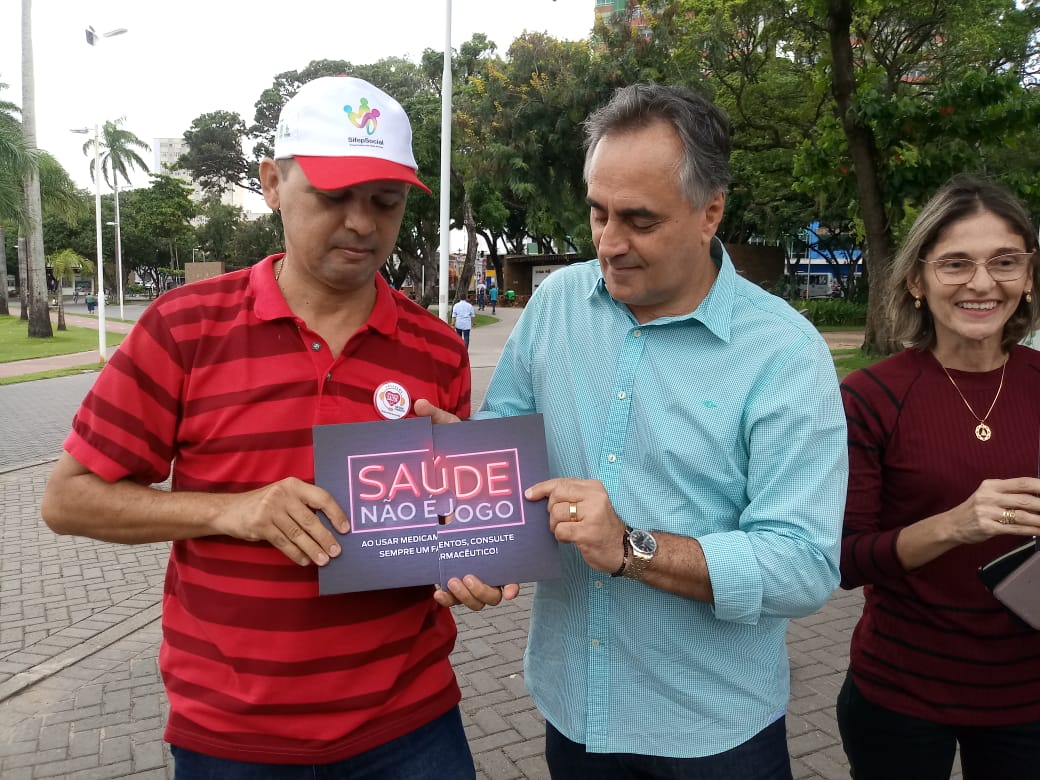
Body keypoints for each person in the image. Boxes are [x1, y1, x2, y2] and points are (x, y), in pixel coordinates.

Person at [40, 75, 514, 779]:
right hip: (232, 735)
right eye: (333, 196)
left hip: (409, 725)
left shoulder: (435, 348)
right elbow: (68, 499)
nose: (361, 222)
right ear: (270, 183)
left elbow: (443, 528)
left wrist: (473, 558)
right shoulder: (185, 328)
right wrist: (234, 511)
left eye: (384, 202)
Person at [476, 83, 848, 777]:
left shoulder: (785, 355)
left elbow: (802, 564)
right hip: (573, 710)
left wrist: (631, 547)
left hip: (714, 732)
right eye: (597, 213)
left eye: (639, 221)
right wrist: (459, 494)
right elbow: (505, 437)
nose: (609, 244)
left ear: (711, 212)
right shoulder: (557, 303)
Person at [837, 174, 1040, 780]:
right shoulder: (870, 396)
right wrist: (954, 526)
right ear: (917, 281)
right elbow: (846, 560)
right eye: (955, 264)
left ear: (1028, 276)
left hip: (1029, 699)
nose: (982, 283)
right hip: (900, 694)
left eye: (1005, 261)